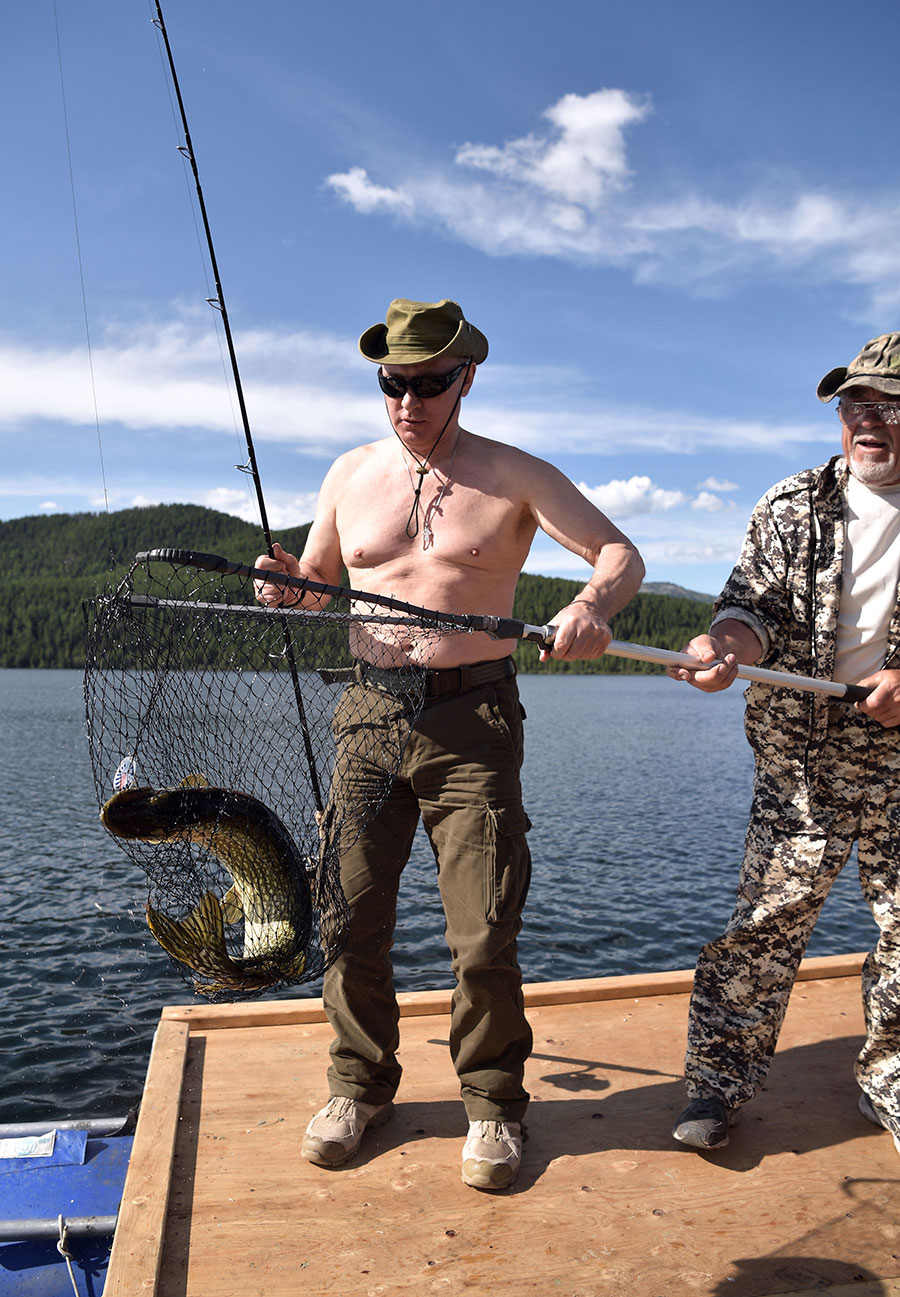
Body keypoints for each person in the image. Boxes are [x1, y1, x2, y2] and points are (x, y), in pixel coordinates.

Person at [255, 298, 644, 1189]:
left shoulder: (514, 474)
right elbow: (318, 589)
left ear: (466, 376)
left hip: (474, 723)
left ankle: (495, 1106)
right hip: (367, 716)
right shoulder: (348, 474)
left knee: (481, 932)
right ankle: (359, 1086)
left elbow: (620, 554)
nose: (409, 400)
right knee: (347, 917)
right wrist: (288, 586)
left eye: (429, 382)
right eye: (393, 382)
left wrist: (590, 605)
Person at [667, 332, 900, 1154]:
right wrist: (725, 646)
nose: (871, 421)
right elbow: (749, 609)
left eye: (891, 405)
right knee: (763, 927)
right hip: (800, 762)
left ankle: (891, 1086)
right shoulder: (790, 504)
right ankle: (716, 1086)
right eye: (856, 405)